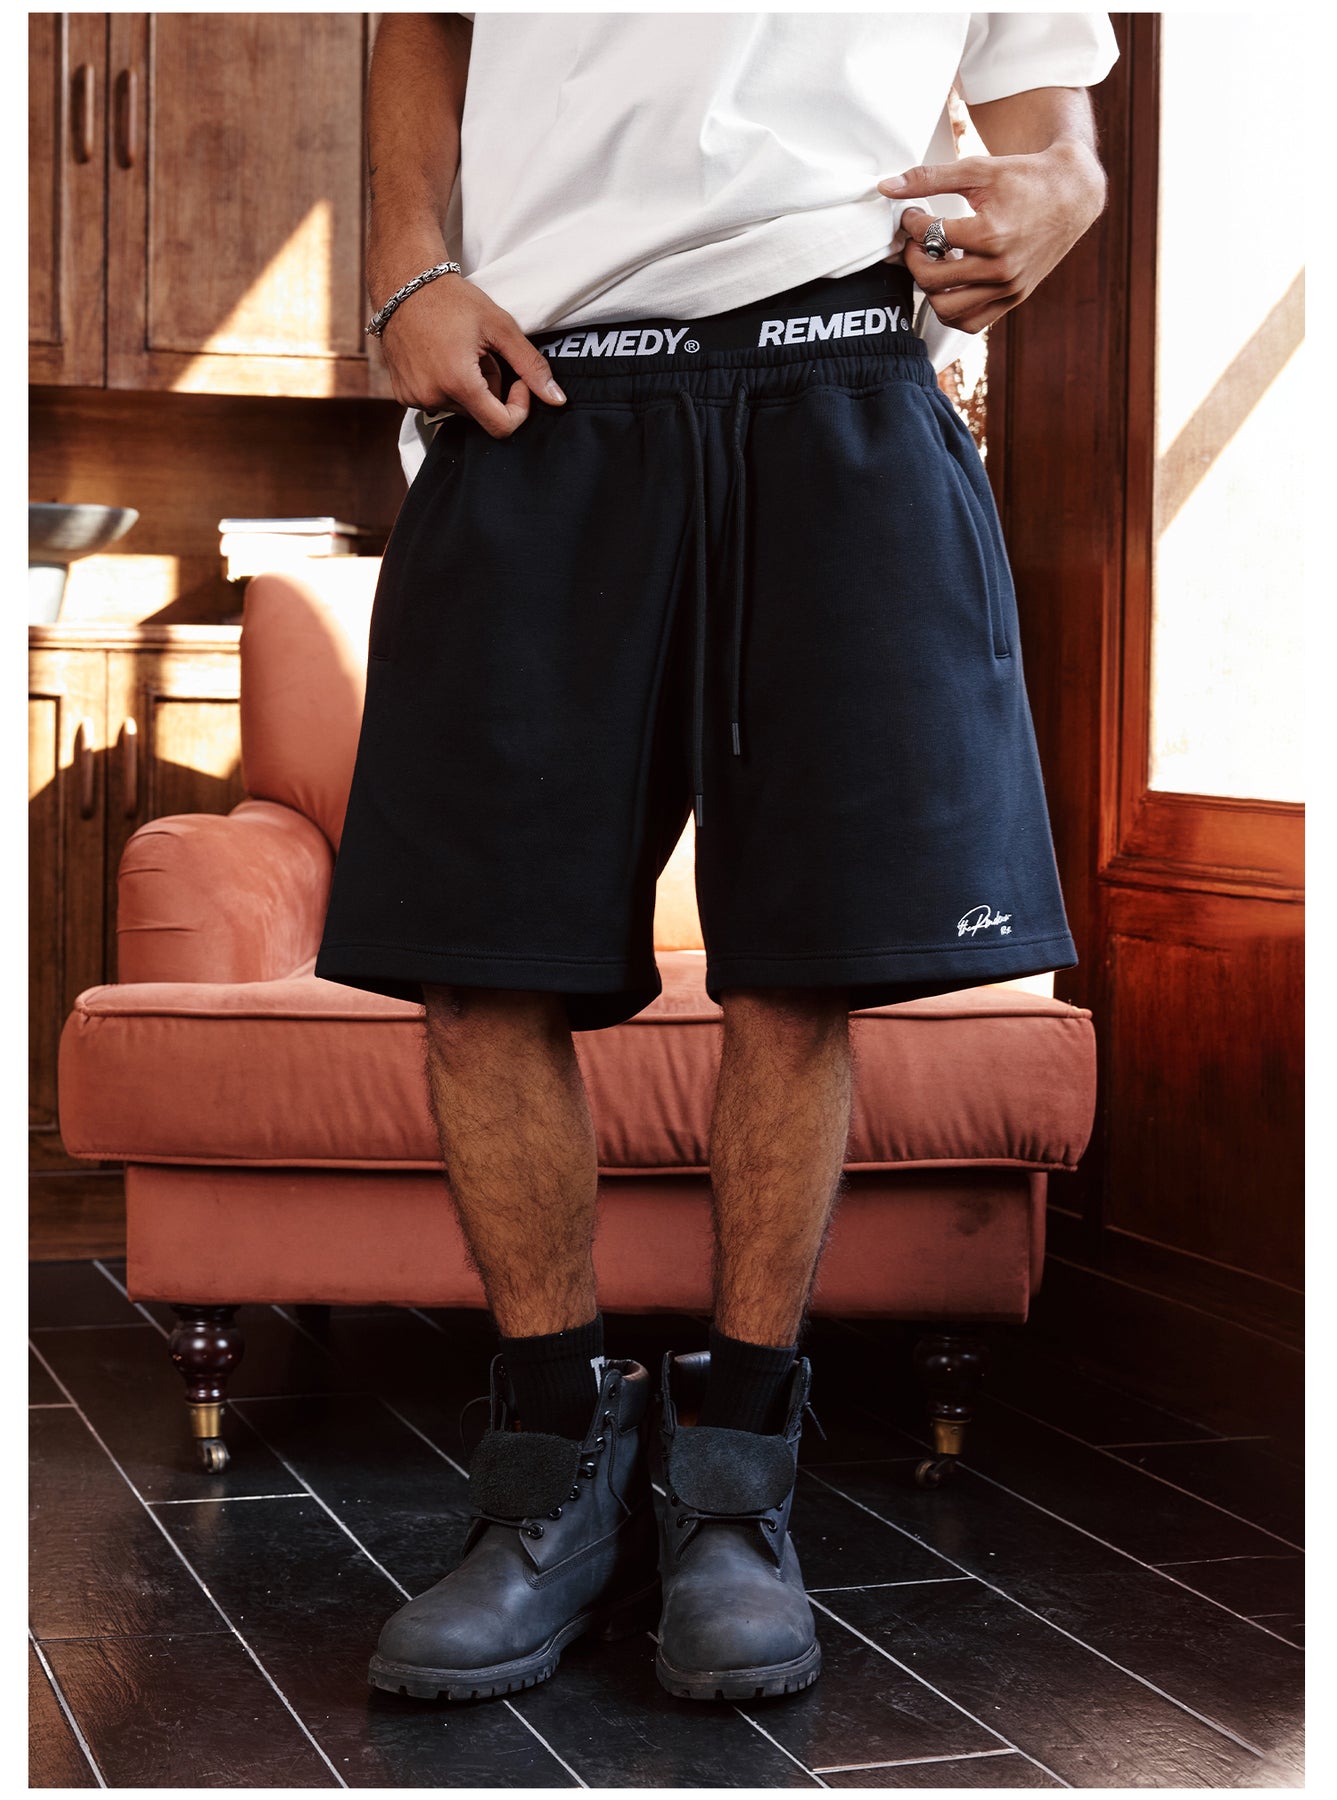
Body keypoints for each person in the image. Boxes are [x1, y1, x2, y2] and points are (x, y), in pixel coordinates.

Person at [313, 11, 1118, 1704]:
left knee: (799, 970)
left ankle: (737, 1493)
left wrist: (1067, 191)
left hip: (842, 371)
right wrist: (403, 273)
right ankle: (545, 1478)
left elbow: (1053, 131)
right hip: (541, 389)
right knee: (476, 968)